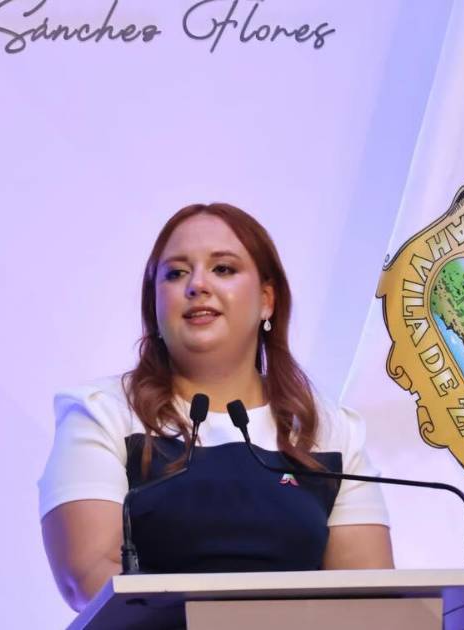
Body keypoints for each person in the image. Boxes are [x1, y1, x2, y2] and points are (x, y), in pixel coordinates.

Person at [38, 203, 393, 611]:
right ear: (155, 303)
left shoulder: (327, 430)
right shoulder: (103, 413)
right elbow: (88, 578)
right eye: (176, 273)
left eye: (223, 269)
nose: (197, 285)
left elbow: (372, 601)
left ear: (267, 300)